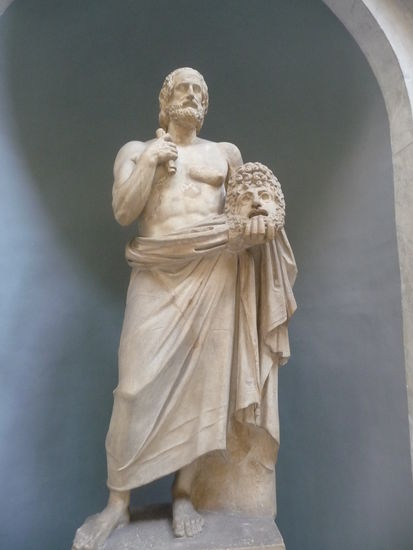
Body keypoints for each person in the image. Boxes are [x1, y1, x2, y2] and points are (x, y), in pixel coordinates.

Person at [72, 67, 296, 550]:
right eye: (183, 89)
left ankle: (184, 493)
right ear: (165, 100)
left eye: (199, 91)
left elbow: (252, 207)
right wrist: (150, 162)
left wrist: (262, 225)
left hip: (214, 275)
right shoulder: (136, 150)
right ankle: (117, 503)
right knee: (133, 389)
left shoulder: (225, 154)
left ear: (205, 104)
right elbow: (124, 211)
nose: (192, 96)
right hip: (156, 273)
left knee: (203, 394)